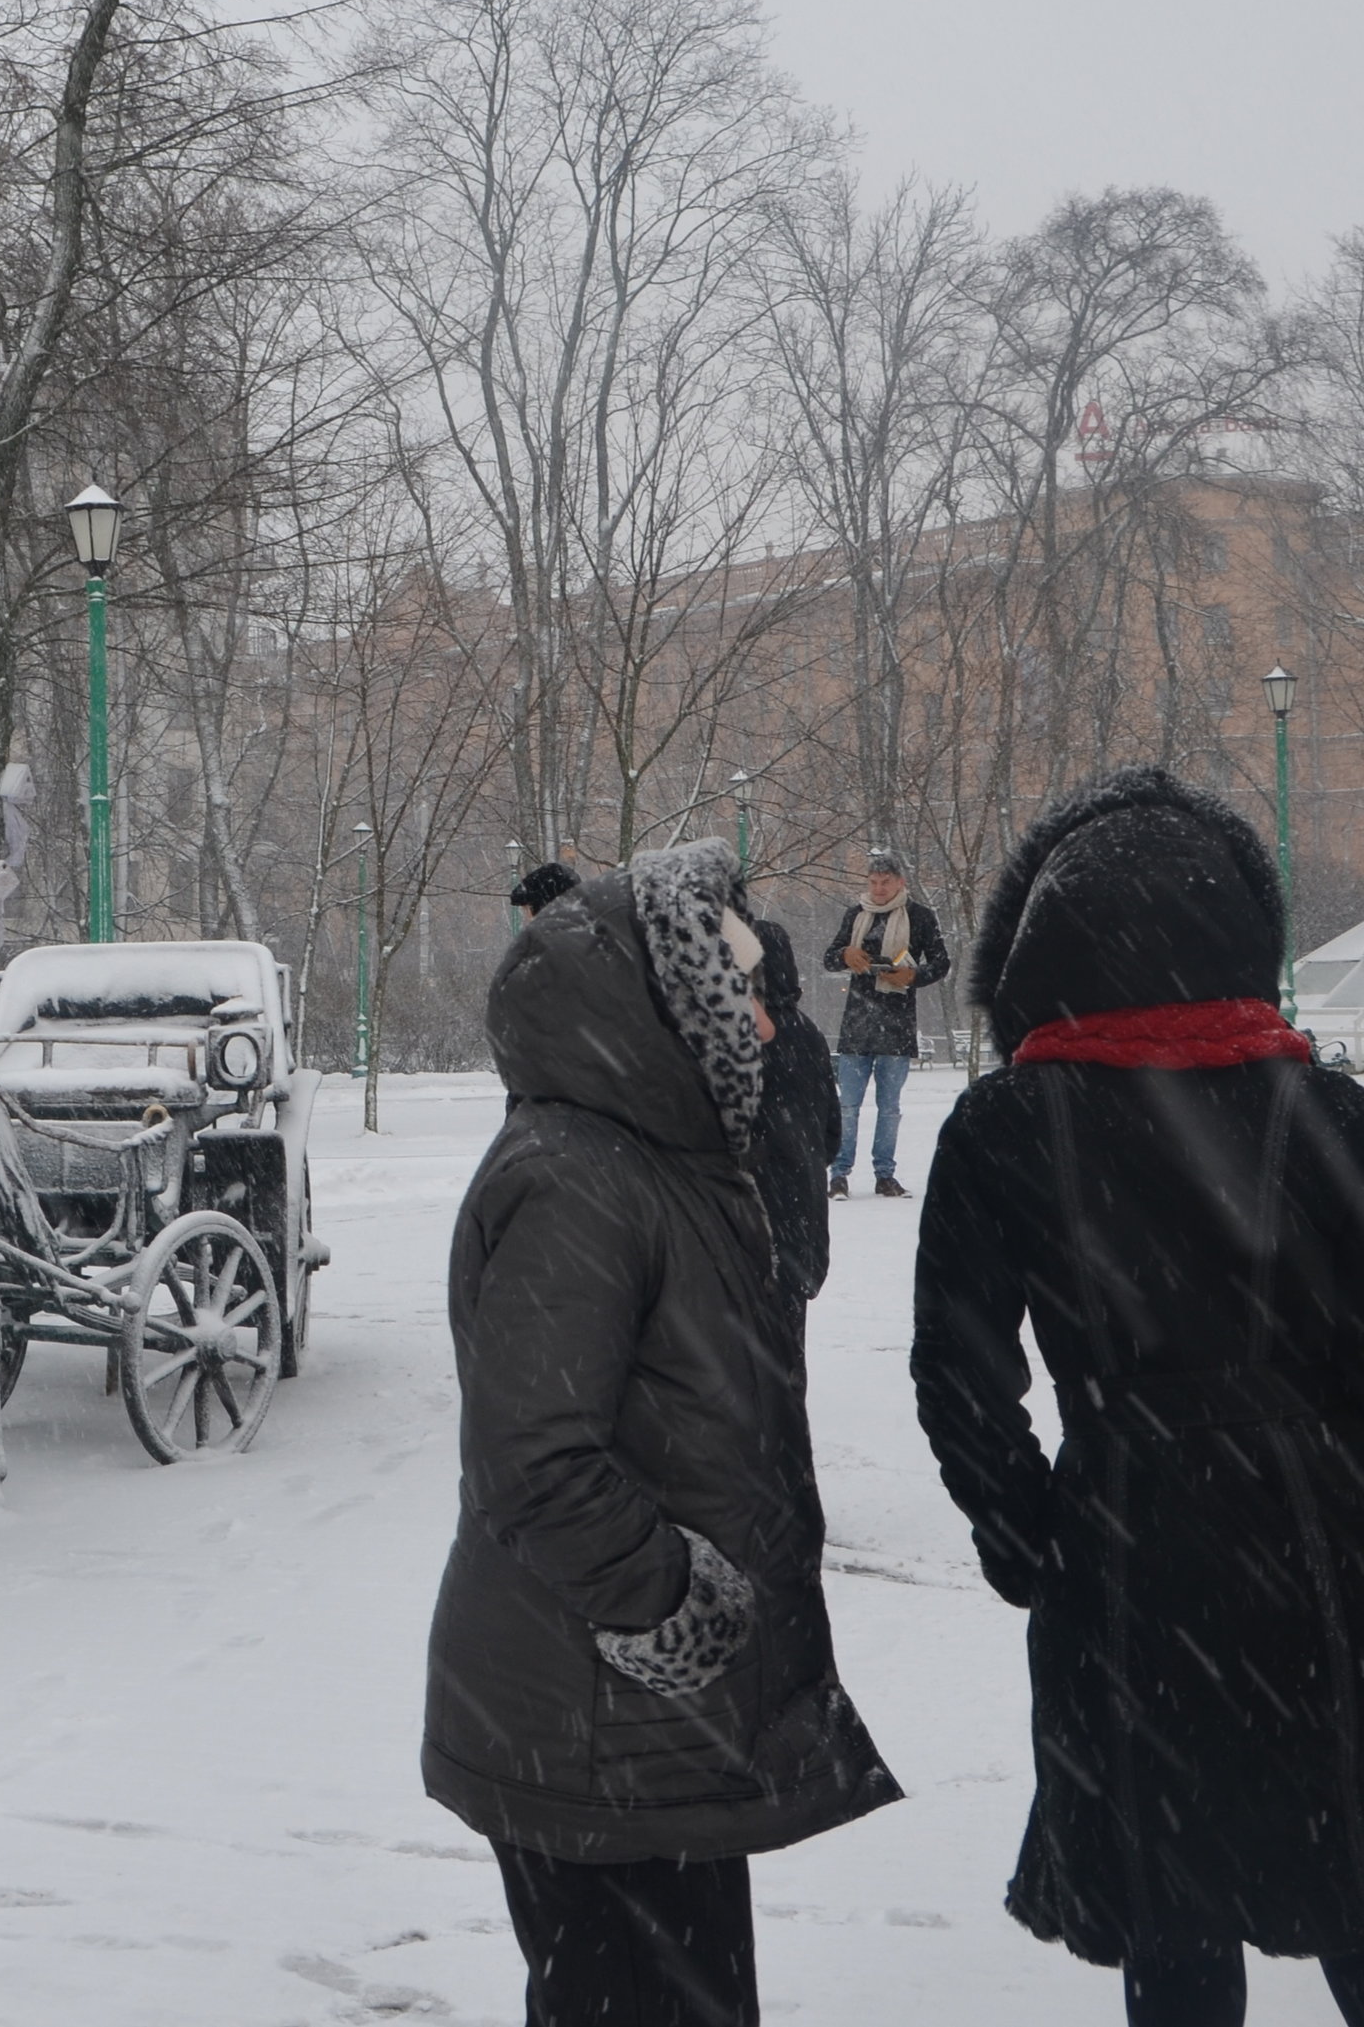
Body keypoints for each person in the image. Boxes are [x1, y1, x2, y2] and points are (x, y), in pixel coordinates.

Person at [912, 765, 1364, 2027]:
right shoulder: (1321, 1102)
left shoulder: (1006, 1122)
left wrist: (1032, 1538)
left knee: (1170, 1919)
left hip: (1132, 1546)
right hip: (1333, 1536)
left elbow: (959, 1377)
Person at [426, 838, 899, 2026]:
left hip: (643, 1725)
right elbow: (535, 1461)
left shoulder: (659, 1155)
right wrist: (675, 1607)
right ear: (664, 1004)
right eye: (734, 987)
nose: (762, 1015)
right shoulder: (578, 1173)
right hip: (593, 1708)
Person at [826, 850, 949, 1200]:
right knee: (847, 1105)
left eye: (886, 882)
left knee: (889, 1107)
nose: (879, 889)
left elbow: (941, 963)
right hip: (857, 1024)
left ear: (900, 882)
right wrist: (846, 955)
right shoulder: (857, 915)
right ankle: (839, 1174)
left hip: (896, 1023)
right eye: (873, 882)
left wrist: (913, 975)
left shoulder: (920, 917)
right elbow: (830, 956)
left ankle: (885, 1174)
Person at [746, 920, 839, 1314]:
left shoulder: (737, 1036)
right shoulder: (808, 1034)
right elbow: (832, 1135)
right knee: (788, 1350)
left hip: (750, 1224)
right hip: (802, 1219)